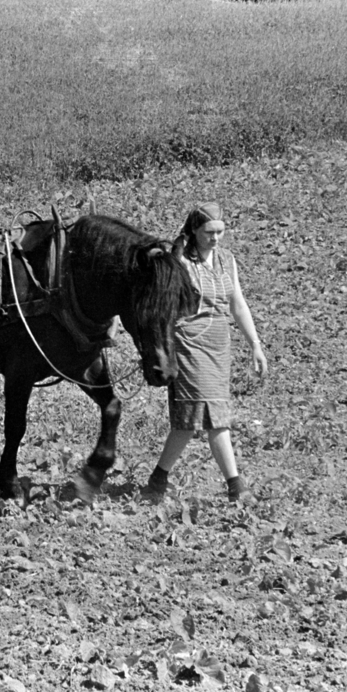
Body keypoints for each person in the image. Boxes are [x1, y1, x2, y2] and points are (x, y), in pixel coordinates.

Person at [143, 202, 268, 503]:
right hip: (188, 342)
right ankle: (236, 487)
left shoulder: (227, 259)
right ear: (194, 230)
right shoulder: (181, 259)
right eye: (209, 232)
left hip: (218, 343)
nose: (215, 238)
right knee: (213, 415)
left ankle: (158, 479)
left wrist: (255, 344)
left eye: (220, 232)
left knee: (191, 419)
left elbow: (237, 303)